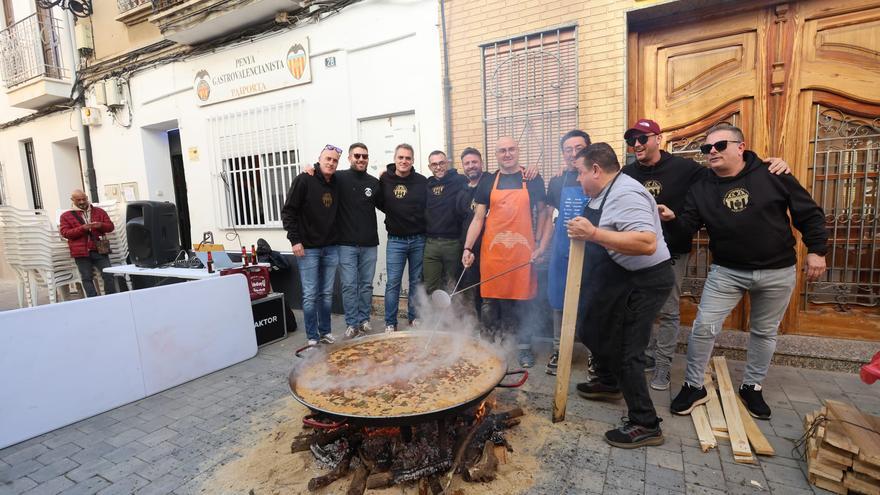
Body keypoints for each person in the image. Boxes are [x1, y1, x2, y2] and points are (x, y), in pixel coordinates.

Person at [665, 124, 827, 420]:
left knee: (764, 332)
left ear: (741, 147)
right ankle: (693, 385)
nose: (712, 151)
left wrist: (816, 250)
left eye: (720, 145)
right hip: (727, 271)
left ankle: (751, 386)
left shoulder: (772, 173)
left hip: (777, 271)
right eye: (707, 148)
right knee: (704, 328)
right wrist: (672, 219)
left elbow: (808, 212)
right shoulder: (701, 188)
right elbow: (687, 226)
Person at [621, 118, 792, 390]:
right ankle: (645, 358)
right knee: (635, 308)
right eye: (632, 140)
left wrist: (769, 164)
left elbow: (729, 172)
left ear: (658, 139)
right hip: (634, 250)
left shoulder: (687, 169)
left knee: (667, 310)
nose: (637, 145)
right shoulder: (626, 173)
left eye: (643, 138)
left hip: (670, 251)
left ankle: (663, 365)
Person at [567, 143, 674, 448]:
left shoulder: (626, 193)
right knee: (592, 325)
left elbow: (645, 243)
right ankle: (609, 382)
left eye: (580, 172)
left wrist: (594, 234)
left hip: (646, 279)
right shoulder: (606, 191)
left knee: (628, 350)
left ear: (596, 171)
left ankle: (645, 423)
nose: (578, 180)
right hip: (620, 272)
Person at [462, 136, 550, 368]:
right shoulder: (488, 181)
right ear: (496, 154)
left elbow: (543, 213)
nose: (507, 154)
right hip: (493, 252)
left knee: (522, 302)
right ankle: (489, 347)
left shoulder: (532, 178)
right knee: (489, 301)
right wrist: (468, 247)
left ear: (518, 151)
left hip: (523, 252)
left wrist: (541, 243)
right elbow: (478, 218)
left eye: (511, 149)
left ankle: (523, 349)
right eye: (502, 150)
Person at [281, 144, 341, 346]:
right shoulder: (304, 179)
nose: (331, 163)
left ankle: (325, 332)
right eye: (328, 159)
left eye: (334, 160)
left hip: (331, 247)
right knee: (310, 294)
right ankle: (312, 337)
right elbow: (288, 211)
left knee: (326, 293)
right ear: (320, 159)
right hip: (308, 248)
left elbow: (357, 176)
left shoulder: (336, 182)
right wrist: (294, 240)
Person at [543, 130, 591, 375]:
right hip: (563, 250)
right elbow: (549, 215)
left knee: (593, 301)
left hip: (593, 248)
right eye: (568, 149)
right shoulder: (557, 181)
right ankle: (560, 350)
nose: (574, 154)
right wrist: (542, 247)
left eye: (579, 148)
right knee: (558, 301)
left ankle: (596, 354)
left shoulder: (597, 175)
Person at [378, 143, 428, 332]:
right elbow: (379, 202)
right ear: (395, 159)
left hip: (418, 239)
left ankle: (414, 317)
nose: (404, 161)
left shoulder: (422, 181)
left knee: (416, 281)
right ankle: (390, 323)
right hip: (395, 241)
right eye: (401, 157)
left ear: (413, 160)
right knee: (393, 283)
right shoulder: (384, 180)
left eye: (408, 158)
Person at [335, 143, 380, 339]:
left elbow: (389, 203)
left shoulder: (374, 182)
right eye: (357, 156)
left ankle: (364, 320)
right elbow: (320, 177)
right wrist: (310, 168)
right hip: (346, 244)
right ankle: (352, 324)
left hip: (370, 243)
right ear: (350, 158)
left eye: (365, 156)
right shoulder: (339, 178)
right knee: (348, 285)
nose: (361, 159)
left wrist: (390, 172)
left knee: (366, 285)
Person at [423, 150, 468, 295]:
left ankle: (454, 317)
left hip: (452, 243)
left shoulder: (460, 180)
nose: (438, 167)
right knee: (431, 286)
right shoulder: (427, 184)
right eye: (434, 164)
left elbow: (481, 178)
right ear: (430, 167)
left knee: (452, 285)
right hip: (431, 244)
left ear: (447, 163)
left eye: (441, 163)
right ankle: (434, 317)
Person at [59, 189, 118, 297]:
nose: (82, 202)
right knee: (86, 277)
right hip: (81, 251)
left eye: (84, 199)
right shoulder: (65, 216)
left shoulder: (99, 211)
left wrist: (100, 225)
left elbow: (110, 227)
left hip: (100, 248)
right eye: (78, 200)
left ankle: (111, 297)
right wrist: (83, 228)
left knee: (108, 273)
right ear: (72, 200)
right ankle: (92, 300)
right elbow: (65, 233)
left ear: (87, 198)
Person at [455, 147, 485, 318]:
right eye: (467, 163)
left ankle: (495, 331)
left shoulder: (490, 181)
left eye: (474, 162)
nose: (471, 166)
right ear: (463, 167)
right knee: (475, 291)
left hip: (489, 247)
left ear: (481, 163)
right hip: (470, 248)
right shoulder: (462, 192)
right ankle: (481, 328)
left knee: (489, 291)